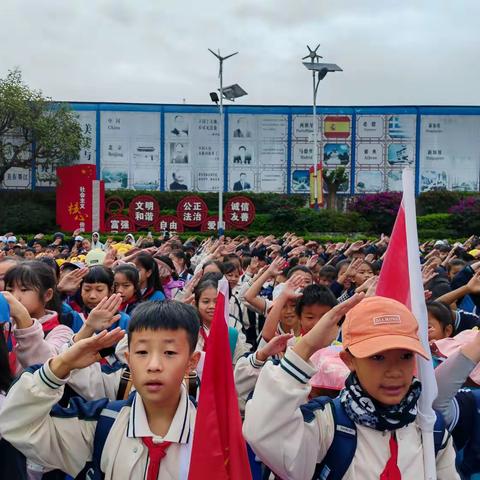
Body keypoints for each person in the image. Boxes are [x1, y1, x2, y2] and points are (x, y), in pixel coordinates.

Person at [243, 295, 459, 479]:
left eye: (405, 356)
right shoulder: (327, 425)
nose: (394, 371)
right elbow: (263, 432)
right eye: (377, 357)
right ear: (349, 360)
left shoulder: (430, 427)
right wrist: (307, 345)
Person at [0, 301, 201, 479]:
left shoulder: (214, 434)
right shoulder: (100, 424)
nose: (154, 365)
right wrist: (62, 364)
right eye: (142, 352)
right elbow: (16, 425)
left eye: (170, 353)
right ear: (128, 359)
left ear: (192, 362)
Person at [3, 262, 73, 374]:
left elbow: (46, 369)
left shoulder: (61, 333)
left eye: (24, 289)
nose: (15, 297)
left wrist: (22, 317)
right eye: (10, 290)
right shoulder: (5, 326)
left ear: (47, 295)